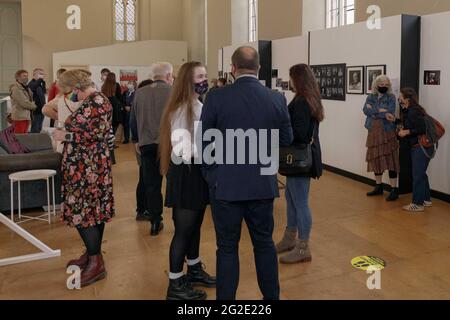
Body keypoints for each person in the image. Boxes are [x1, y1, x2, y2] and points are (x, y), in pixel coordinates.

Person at [200, 46, 293, 300]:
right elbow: (287, 138)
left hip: (226, 186)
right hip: (262, 184)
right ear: (259, 68)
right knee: (264, 244)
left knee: (227, 248)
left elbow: (204, 143)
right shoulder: (276, 98)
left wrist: (212, 175)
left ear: (233, 68)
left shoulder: (216, 97)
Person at [53, 69, 115, 287]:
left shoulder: (97, 101)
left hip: (88, 168)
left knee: (84, 211)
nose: (69, 96)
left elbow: (95, 135)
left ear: (76, 88)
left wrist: (65, 135)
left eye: (69, 92)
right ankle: (92, 254)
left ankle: (96, 262)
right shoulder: (94, 100)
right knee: (92, 211)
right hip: (87, 165)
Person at [160, 62, 216, 300]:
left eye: (205, 74)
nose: (205, 79)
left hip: (196, 172)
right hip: (186, 172)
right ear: (188, 80)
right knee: (183, 230)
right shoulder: (183, 108)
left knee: (194, 227)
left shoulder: (197, 104)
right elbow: (182, 147)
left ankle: (193, 269)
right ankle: (175, 284)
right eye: (200, 76)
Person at [275, 64, 324, 264]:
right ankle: (289, 239)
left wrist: (282, 132)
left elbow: (300, 133)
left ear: (298, 79)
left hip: (299, 158)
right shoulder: (308, 99)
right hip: (302, 157)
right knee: (291, 197)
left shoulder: (303, 101)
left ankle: (303, 247)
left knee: (300, 201)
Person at [131, 62, 173, 235]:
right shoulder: (173, 92)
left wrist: (136, 140)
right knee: (174, 181)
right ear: (169, 76)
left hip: (146, 144)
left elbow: (133, 119)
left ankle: (155, 221)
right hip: (170, 144)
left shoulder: (139, 93)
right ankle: (179, 217)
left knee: (151, 184)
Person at [363, 75, 399, 201]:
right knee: (376, 159)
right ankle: (378, 187)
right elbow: (365, 110)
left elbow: (390, 112)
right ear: (376, 85)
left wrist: (374, 110)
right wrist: (381, 111)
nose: (383, 87)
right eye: (381, 84)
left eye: (386, 85)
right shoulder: (370, 96)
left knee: (391, 160)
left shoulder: (391, 97)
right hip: (373, 132)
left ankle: (394, 189)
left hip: (387, 132)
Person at [397, 88, 433, 213]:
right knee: (421, 173)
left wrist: (406, 131)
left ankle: (417, 203)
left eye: (400, 95)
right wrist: (396, 121)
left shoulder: (414, 111)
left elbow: (421, 128)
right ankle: (426, 199)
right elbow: (411, 124)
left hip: (421, 147)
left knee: (417, 175)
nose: (399, 97)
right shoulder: (410, 109)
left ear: (406, 98)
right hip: (421, 146)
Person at [130, 79, 154, 221]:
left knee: (144, 177)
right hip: (142, 143)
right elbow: (133, 122)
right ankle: (142, 209)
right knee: (145, 178)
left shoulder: (139, 100)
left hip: (141, 143)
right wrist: (136, 141)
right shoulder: (141, 100)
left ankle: (143, 208)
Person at [28, 68, 47, 133]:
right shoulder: (31, 83)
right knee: (35, 128)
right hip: (35, 109)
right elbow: (33, 88)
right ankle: (32, 142)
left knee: (39, 127)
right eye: (40, 74)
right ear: (34, 75)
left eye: (43, 74)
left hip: (41, 109)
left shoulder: (40, 83)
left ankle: (38, 142)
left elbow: (44, 92)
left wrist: (43, 83)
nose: (42, 75)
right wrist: (40, 80)